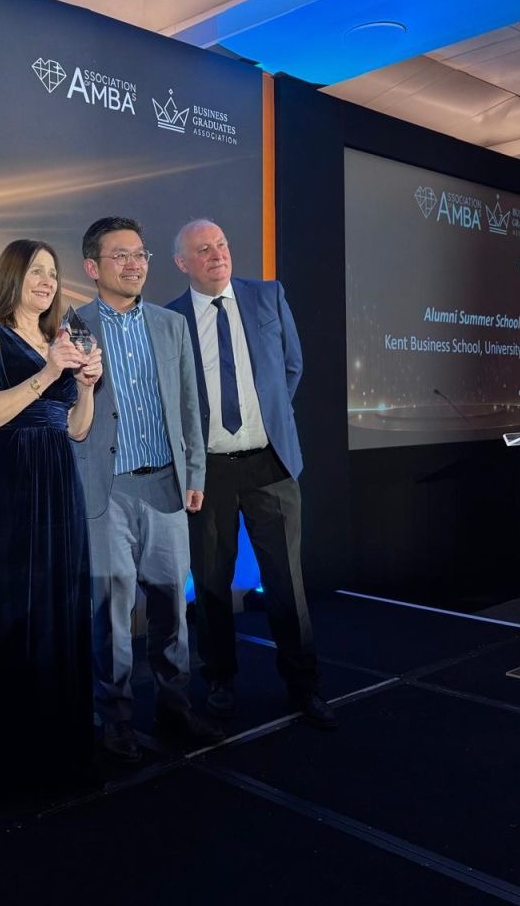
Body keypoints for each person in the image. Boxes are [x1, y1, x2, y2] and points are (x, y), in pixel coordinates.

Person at [166, 218, 337, 729]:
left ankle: (303, 685)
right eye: (203, 249)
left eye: (221, 244)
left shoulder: (268, 296)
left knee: (287, 582)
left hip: (270, 461)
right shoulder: (171, 319)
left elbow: (292, 367)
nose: (217, 254)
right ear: (182, 263)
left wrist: (269, 420)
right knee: (213, 584)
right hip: (208, 471)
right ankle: (219, 681)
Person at [71, 216, 224, 765]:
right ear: (93, 267)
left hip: (166, 486)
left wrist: (196, 475)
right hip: (105, 492)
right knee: (110, 615)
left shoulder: (169, 325)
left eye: (141, 255)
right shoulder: (70, 326)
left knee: (171, 609)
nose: (135, 265)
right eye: (121, 256)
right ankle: (113, 722)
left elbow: (190, 408)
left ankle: (175, 706)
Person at [0, 239, 102, 788]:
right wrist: (46, 372)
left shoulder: (59, 337)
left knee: (59, 609)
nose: (46, 280)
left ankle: (59, 744)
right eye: (35, 271)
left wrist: (85, 387)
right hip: (8, 489)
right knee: (12, 610)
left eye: (52, 273)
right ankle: (7, 755)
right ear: (11, 275)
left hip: (60, 483)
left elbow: (78, 428)